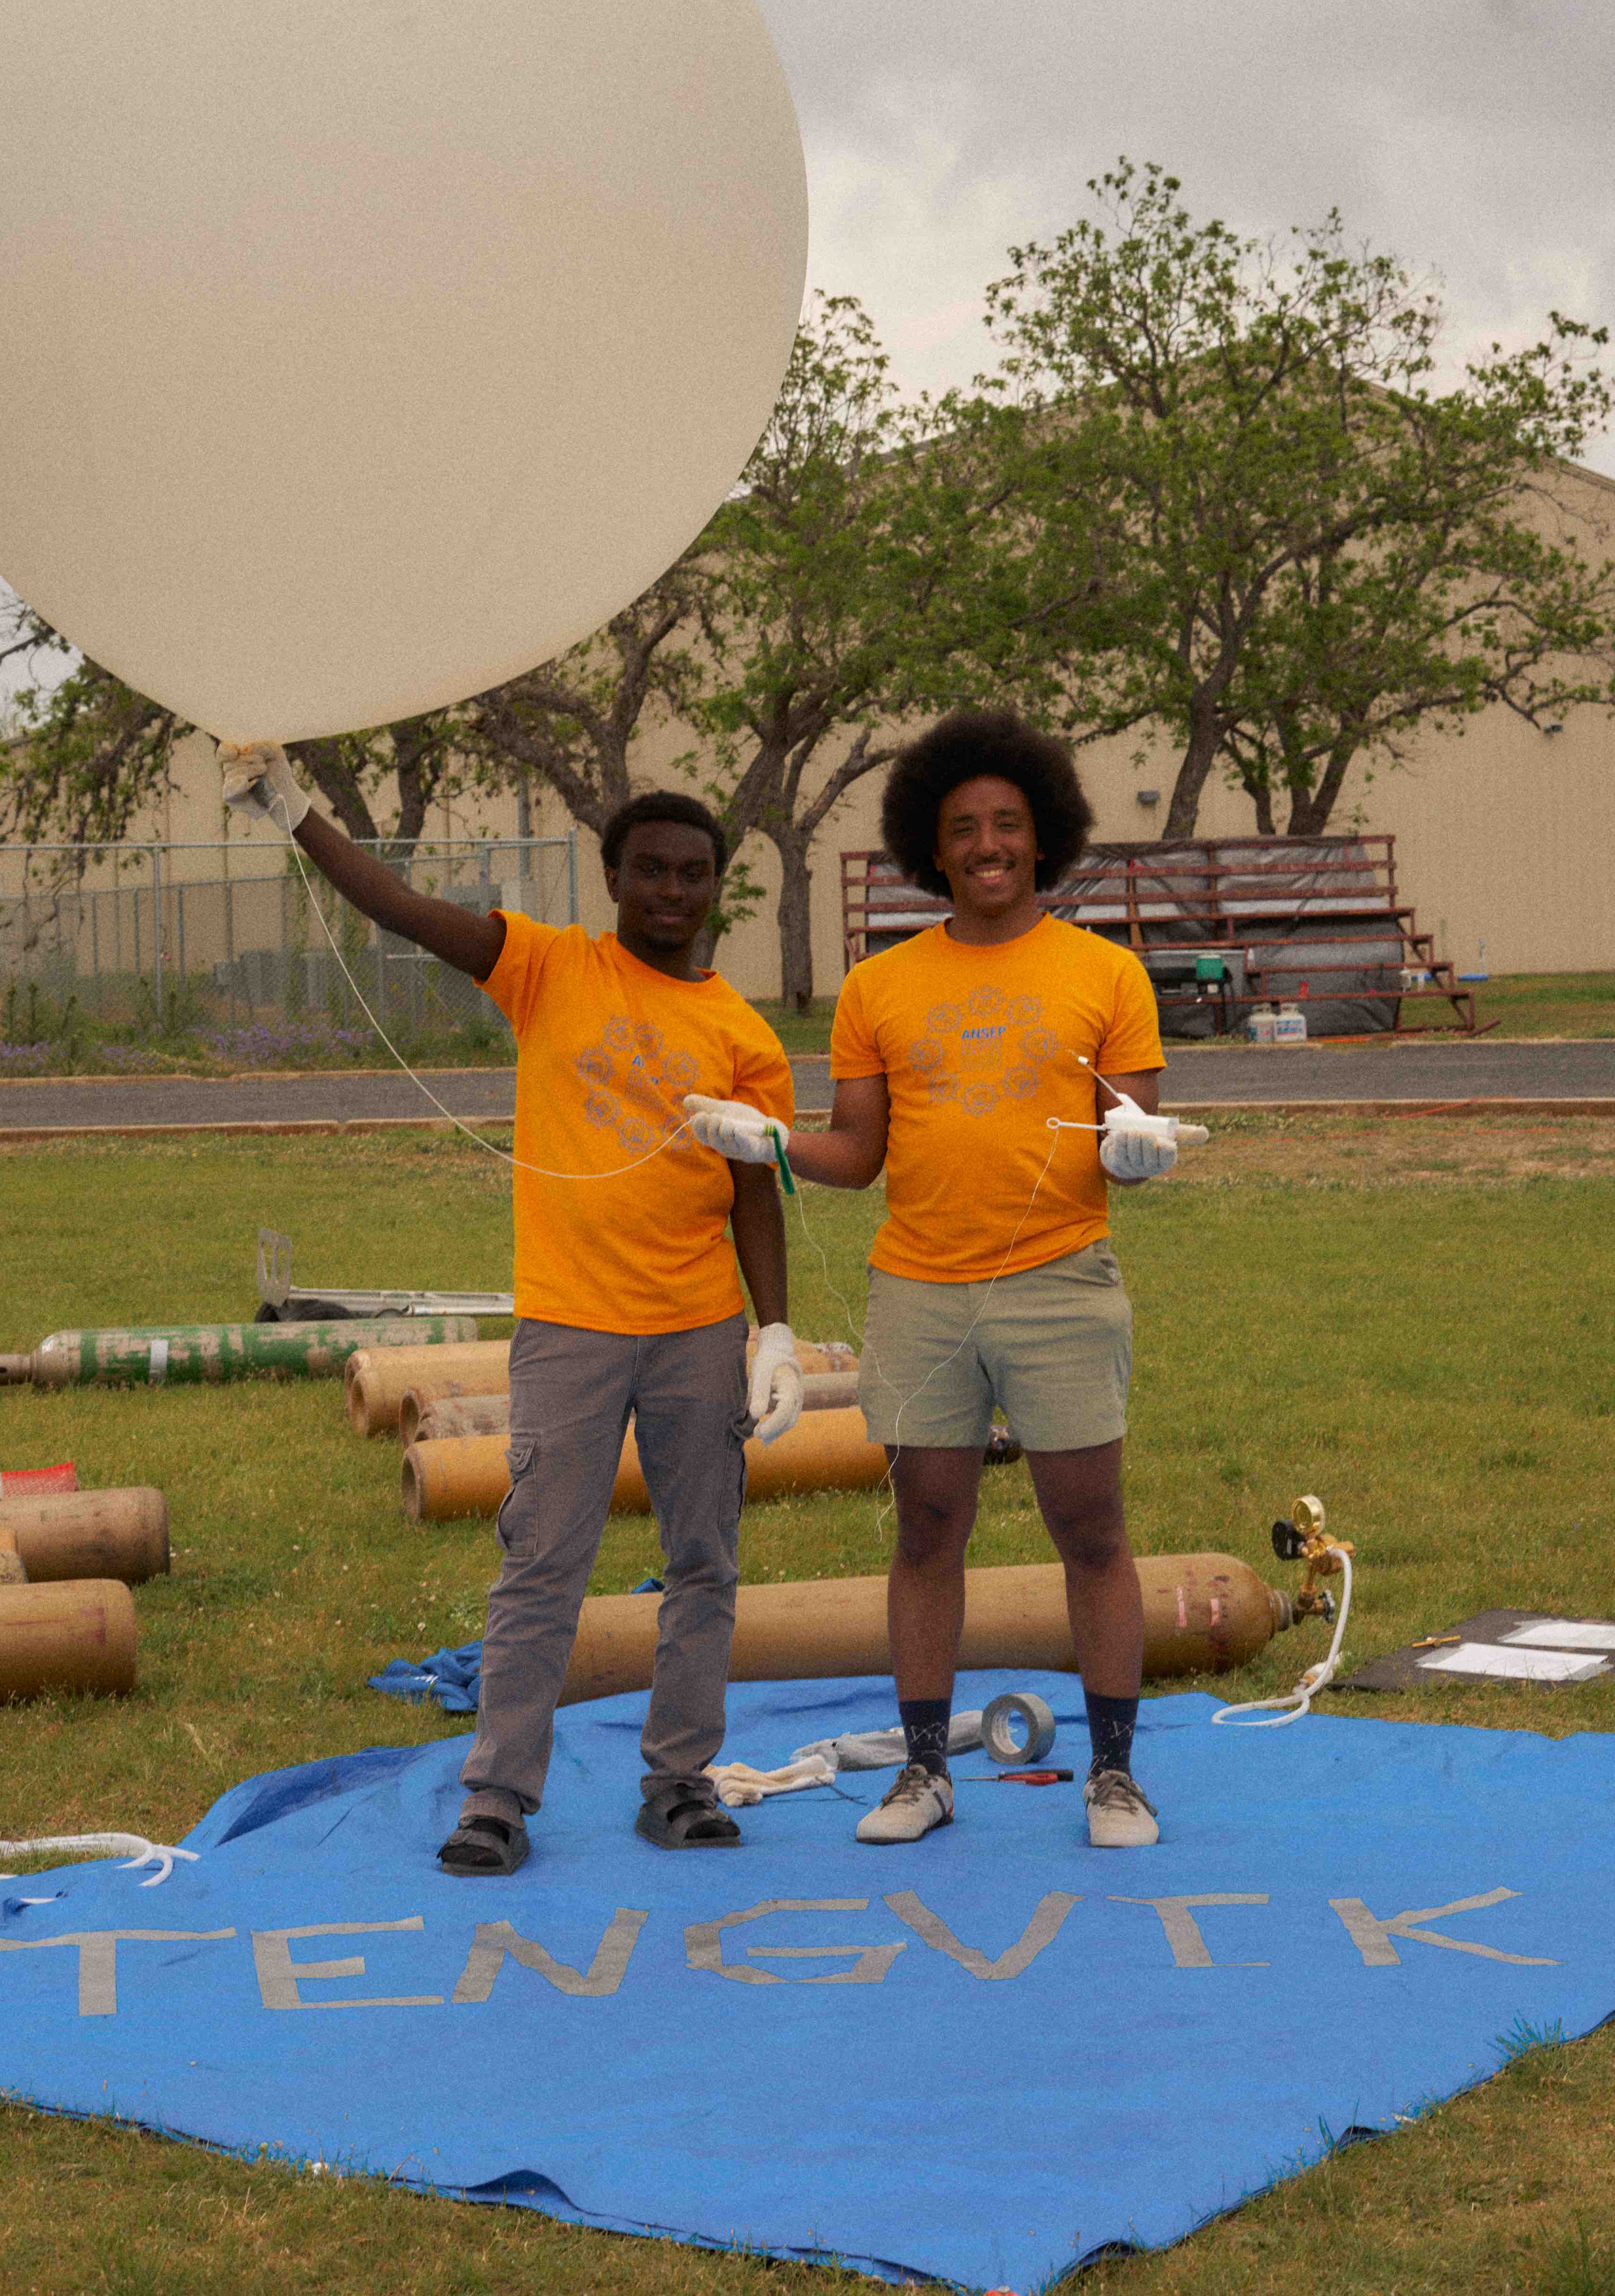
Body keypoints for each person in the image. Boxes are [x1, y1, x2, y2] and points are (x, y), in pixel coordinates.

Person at [219, 744, 799, 1876]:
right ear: (614, 878)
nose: (671, 891)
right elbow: (398, 905)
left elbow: (755, 1196)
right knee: (542, 1564)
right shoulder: (545, 968)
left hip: (696, 1333)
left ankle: (679, 1781)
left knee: (704, 1564)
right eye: (650, 871)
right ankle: (496, 1798)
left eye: (693, 873)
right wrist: (294, 811)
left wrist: (770, 1332)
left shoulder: (744, 1035)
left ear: (714, 887)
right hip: (570, 1330)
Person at [685, 708, 1178, 1851]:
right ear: (933, 847)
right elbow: (854, 1155)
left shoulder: (1107, 974)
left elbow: (1133, 1138)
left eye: (1008, 824)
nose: (987, 845)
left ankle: (1113, 1778)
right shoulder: (879, 986)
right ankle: (919, 1773)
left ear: (1041, 837)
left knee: (1089, 1529)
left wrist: (1137, 1155)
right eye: (964, 829)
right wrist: (763, 1141)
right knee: (926, 1531)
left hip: (1061, 1281)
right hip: (917, 1288)